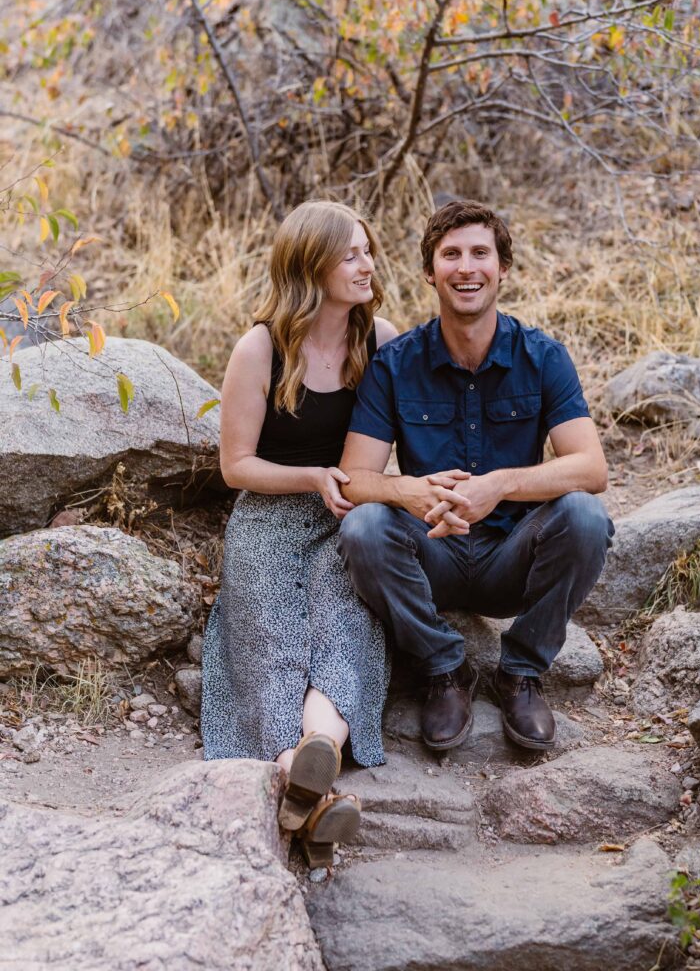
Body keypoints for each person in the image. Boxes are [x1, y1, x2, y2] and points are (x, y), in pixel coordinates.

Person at [337, 199, 614, 753]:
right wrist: (406, 490)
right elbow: (353, 479)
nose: (466, 268)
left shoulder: (542, 357)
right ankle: (445, 670)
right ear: (429, 271)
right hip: (432, 554)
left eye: (480, 253)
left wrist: (501, 485)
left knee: (585, 515)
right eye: (451, 255)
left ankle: (521, 672)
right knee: (364, 527)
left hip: (513, 555)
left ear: (502, 267)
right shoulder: (396, 364)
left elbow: (592, 468)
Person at [201, 200, 397, 867]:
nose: (366, 264)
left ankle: (307, 767)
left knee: (347, 624)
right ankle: (306, 775)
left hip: (351, 518)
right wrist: (314, 475)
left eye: (367, 249)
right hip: (268, 515)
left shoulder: (382, 341)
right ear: (310, 264)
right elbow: (236, 466)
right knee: (268, 639)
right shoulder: (260, 347)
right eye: (350, 254)